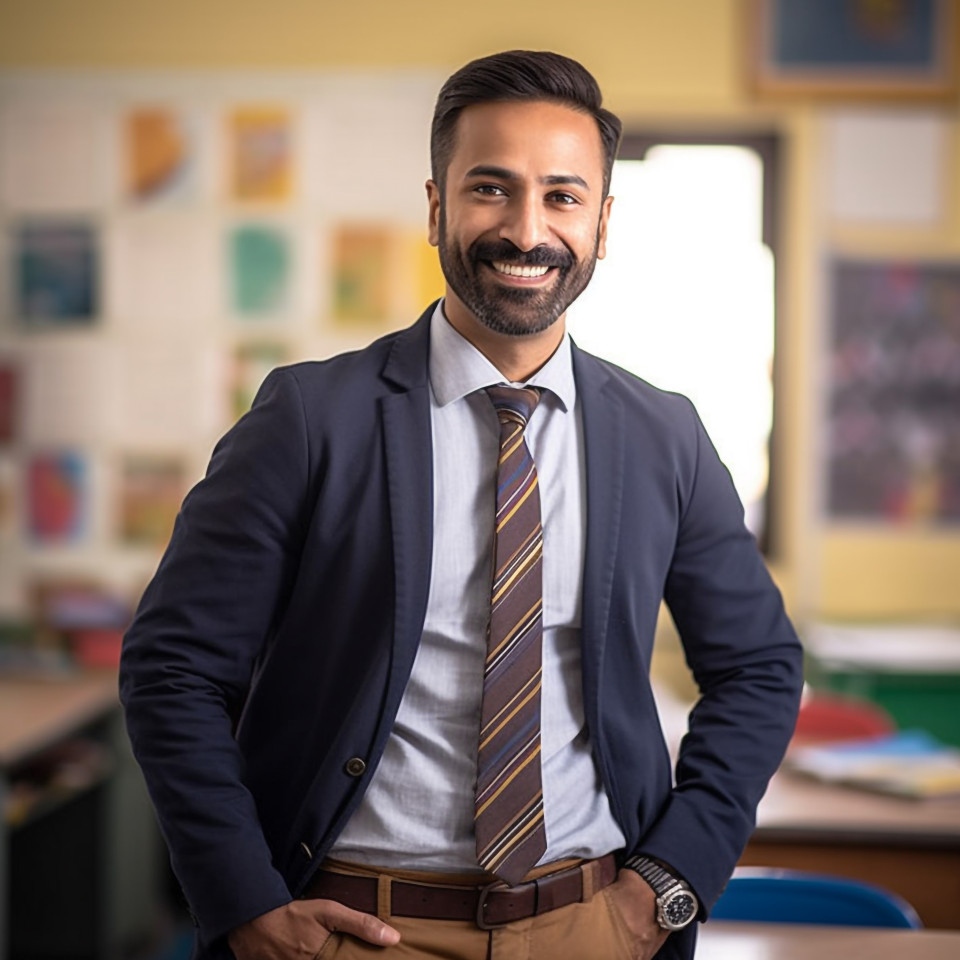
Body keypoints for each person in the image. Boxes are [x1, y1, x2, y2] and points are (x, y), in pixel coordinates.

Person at [120, 50, 803, 960]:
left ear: (602, 222)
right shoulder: (310, 418)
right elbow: (173, 670)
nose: (528, 229)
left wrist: (670, 883)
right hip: (354, 930)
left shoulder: (664, 434)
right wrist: (242, 901)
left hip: (594, 926)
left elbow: (757, 666)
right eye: (492, 189)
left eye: (563, 196)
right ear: (438, 204)